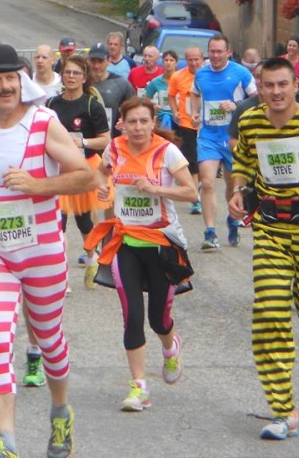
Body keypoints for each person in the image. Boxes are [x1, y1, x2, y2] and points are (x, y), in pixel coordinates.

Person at [0, 43, 99, 458]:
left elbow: (86, 179)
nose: (5, 85)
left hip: (43, 250)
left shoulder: (43, 122)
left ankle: (61, 411)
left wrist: (39, 185)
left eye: (11, 77)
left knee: (48, 340)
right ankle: (6, 441)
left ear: (21, 80)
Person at [229, 56, 299, 441]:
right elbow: (242, 159)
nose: (275, 92)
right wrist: (238, 188)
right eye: (268, 85)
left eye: (283, 84)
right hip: (272, 229)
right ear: (259, 88)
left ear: (297, 85)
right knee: (270, 309)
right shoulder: (250, 121)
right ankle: (283, 410)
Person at [85, 96, 197, 413]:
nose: (137, 127)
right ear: (122, 123)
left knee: (158, 320)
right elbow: (100, 174)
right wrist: (104, 188)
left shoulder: (167, 152)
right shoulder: (115, 148)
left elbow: (191, 192)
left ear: (152, 122)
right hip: (126, 242)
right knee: (132, 317)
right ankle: (139, 388)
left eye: (143, 121)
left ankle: (170, 347)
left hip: (161, 243)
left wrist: (157, 189)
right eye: (131, 121)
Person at [45, 54, 110, 290]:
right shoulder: (51, 105)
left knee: (84, 221)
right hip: (58, 172)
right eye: (67, 72)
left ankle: (92, 260)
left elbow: (105, 140)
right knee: (57, 223)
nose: (71, 77)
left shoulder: (92, 105)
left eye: (76, 73)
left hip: (85, 169)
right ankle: (62, 275)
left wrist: (82, 143)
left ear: (84, 77)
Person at [190, 34, 257, 250]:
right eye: (212, 51)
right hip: (208, 136)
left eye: (220, 51)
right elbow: (194, 94)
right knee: (208, 182)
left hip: (233, 137)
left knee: (231, 185)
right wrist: (194, 112)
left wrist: (236, 105)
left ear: (228, 52)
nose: (216, 55)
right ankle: (210, 233)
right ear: (208, 52)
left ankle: (232, 218)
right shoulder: (201, 74)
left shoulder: (241, 73)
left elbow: (256, 99)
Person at [168, 46, 203, 214]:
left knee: (204, 162)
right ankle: (195, 198)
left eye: (197, 59)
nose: (194, 63)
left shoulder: (208, 75)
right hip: (187, 123)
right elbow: (171, 95)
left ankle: (201, 185)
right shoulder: (178, 76)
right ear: (186, 60)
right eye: (190, 60)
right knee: (193, 161)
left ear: (202, 59)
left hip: (208, 125)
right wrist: (174, 110)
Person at [228, 61, 264, 150]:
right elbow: (233, 141)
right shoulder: (244, 108)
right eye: (258, 76)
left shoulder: (291, 107)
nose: (262, 81)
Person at [145, 49, 177, 130]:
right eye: (166, 60)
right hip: (160, 118)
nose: (168, 63)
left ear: (176, 63)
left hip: (178, 118)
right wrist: (153, 105)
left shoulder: (180, 80)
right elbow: (146, 99)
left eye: (171, 60)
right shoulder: (155, 82)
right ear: (162, 62)